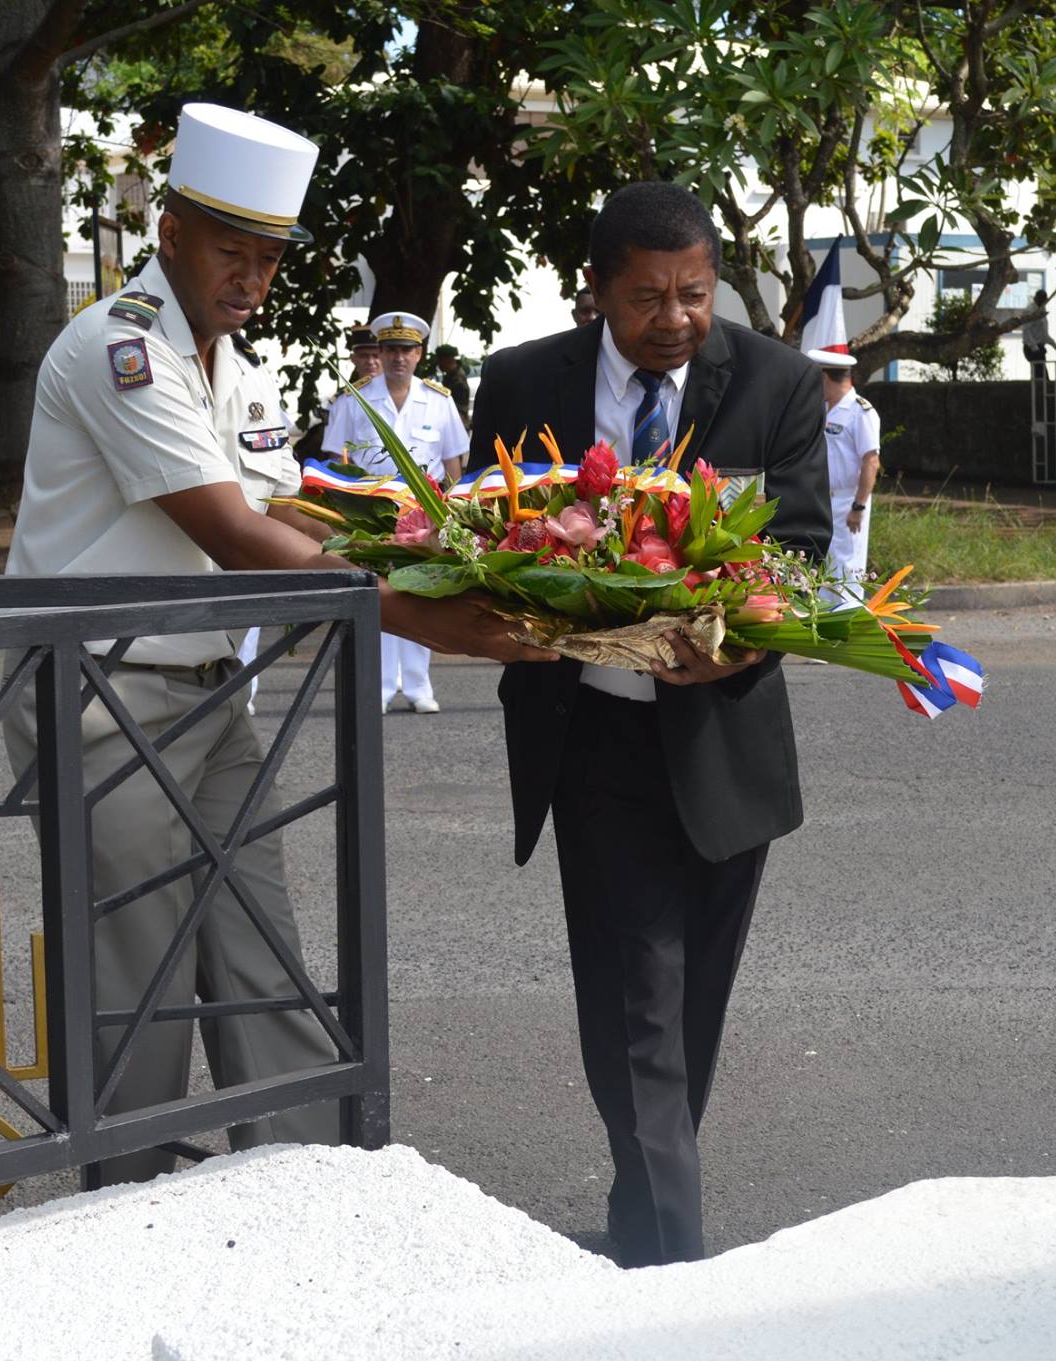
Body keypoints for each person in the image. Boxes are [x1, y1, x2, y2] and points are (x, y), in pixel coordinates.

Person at [1, 103, 548, 1187]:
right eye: (227, 249)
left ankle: (302, 1189)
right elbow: (236, 533)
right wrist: (427, 618)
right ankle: (128, 1206)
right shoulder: (122, 348)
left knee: (261, 942)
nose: (249, 276)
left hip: (214, 691)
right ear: (169, 232)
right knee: (137, 971)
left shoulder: (230, 365)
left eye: (267, 258)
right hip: (105, 699)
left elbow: (297, 508)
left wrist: (463, 546)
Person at [470, 180, 829, 1269]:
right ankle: (676, 1266)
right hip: (593, 744)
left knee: (687, 1019)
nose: (673, 318)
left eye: (693, 292)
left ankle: (639, 1214)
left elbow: (804, 551)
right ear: (596, 296)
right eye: (646, 298)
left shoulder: (777, 382)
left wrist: (743, 637)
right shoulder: (521, 382)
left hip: (724, 742)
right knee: (638, 1013)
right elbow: (481, 535)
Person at [321, 310, 470, 715]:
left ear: (419, 353)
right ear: (381, 353)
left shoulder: (439, 401)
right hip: (375, 516)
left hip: (426, 515)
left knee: (423, 593)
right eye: (390, 349)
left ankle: (419, 686)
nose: (397, 358)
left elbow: (454, 463)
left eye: (405, 349)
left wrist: (456, 517)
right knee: (381, 596)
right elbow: (336, 460)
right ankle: (383, 686)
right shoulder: (355, 400)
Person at [806, 350, 879, 596]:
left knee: (846, 572)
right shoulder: (826, 409)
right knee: (824, 571)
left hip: (848, 502)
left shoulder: (861, 411)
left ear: (825, 378)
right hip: (823, 500)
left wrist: (858, 506)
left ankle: (848, 626)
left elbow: (871, 461)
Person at [1020, 288, 1056, 381]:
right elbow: (1026, 332)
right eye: (1041, 299)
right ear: (1036, 298)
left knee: (1041, 374)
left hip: (1039, 348)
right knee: (1040, 374)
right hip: (1031, 347)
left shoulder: (1042, 309)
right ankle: (1037, 392)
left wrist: (1054, 345)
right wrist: (1035, 348)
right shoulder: (1029, 311)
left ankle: (1038, 391)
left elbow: (1044, 334)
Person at [431, 343, 472, 428]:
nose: (438, 365)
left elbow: (459, 408)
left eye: (440, 361)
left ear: (447, 360)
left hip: (457, 424)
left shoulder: (457, 380)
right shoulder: (450, 376)